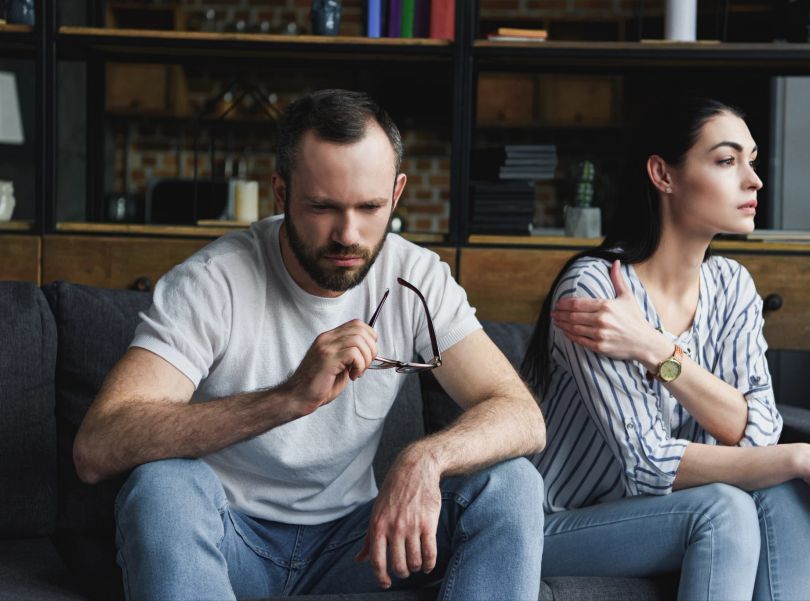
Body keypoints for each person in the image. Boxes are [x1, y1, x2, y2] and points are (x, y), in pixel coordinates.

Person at [73, 89, 546, 601]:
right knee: (161, 488)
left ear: (398, 191)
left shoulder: (416, 277)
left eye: (370, 207)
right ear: (281, 193)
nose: (348, 235)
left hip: (359, 546)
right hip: (228, 539)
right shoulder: (213, 282)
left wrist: (424, 460)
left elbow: (521, 416)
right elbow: (96, 448)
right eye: (323, 207)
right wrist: (288, 398)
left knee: (513, 483)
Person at [522, 97, 810, 601]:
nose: (753, 180)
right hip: (561, 525)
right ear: (663, 174)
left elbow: (760, 431)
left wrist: (657, 350)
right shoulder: (595, 290)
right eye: (726, 160)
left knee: (783, 488)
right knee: (729, 507)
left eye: (752, 160)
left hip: (673, 511)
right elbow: (647, 463)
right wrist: (803, 455)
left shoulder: (732, 286)